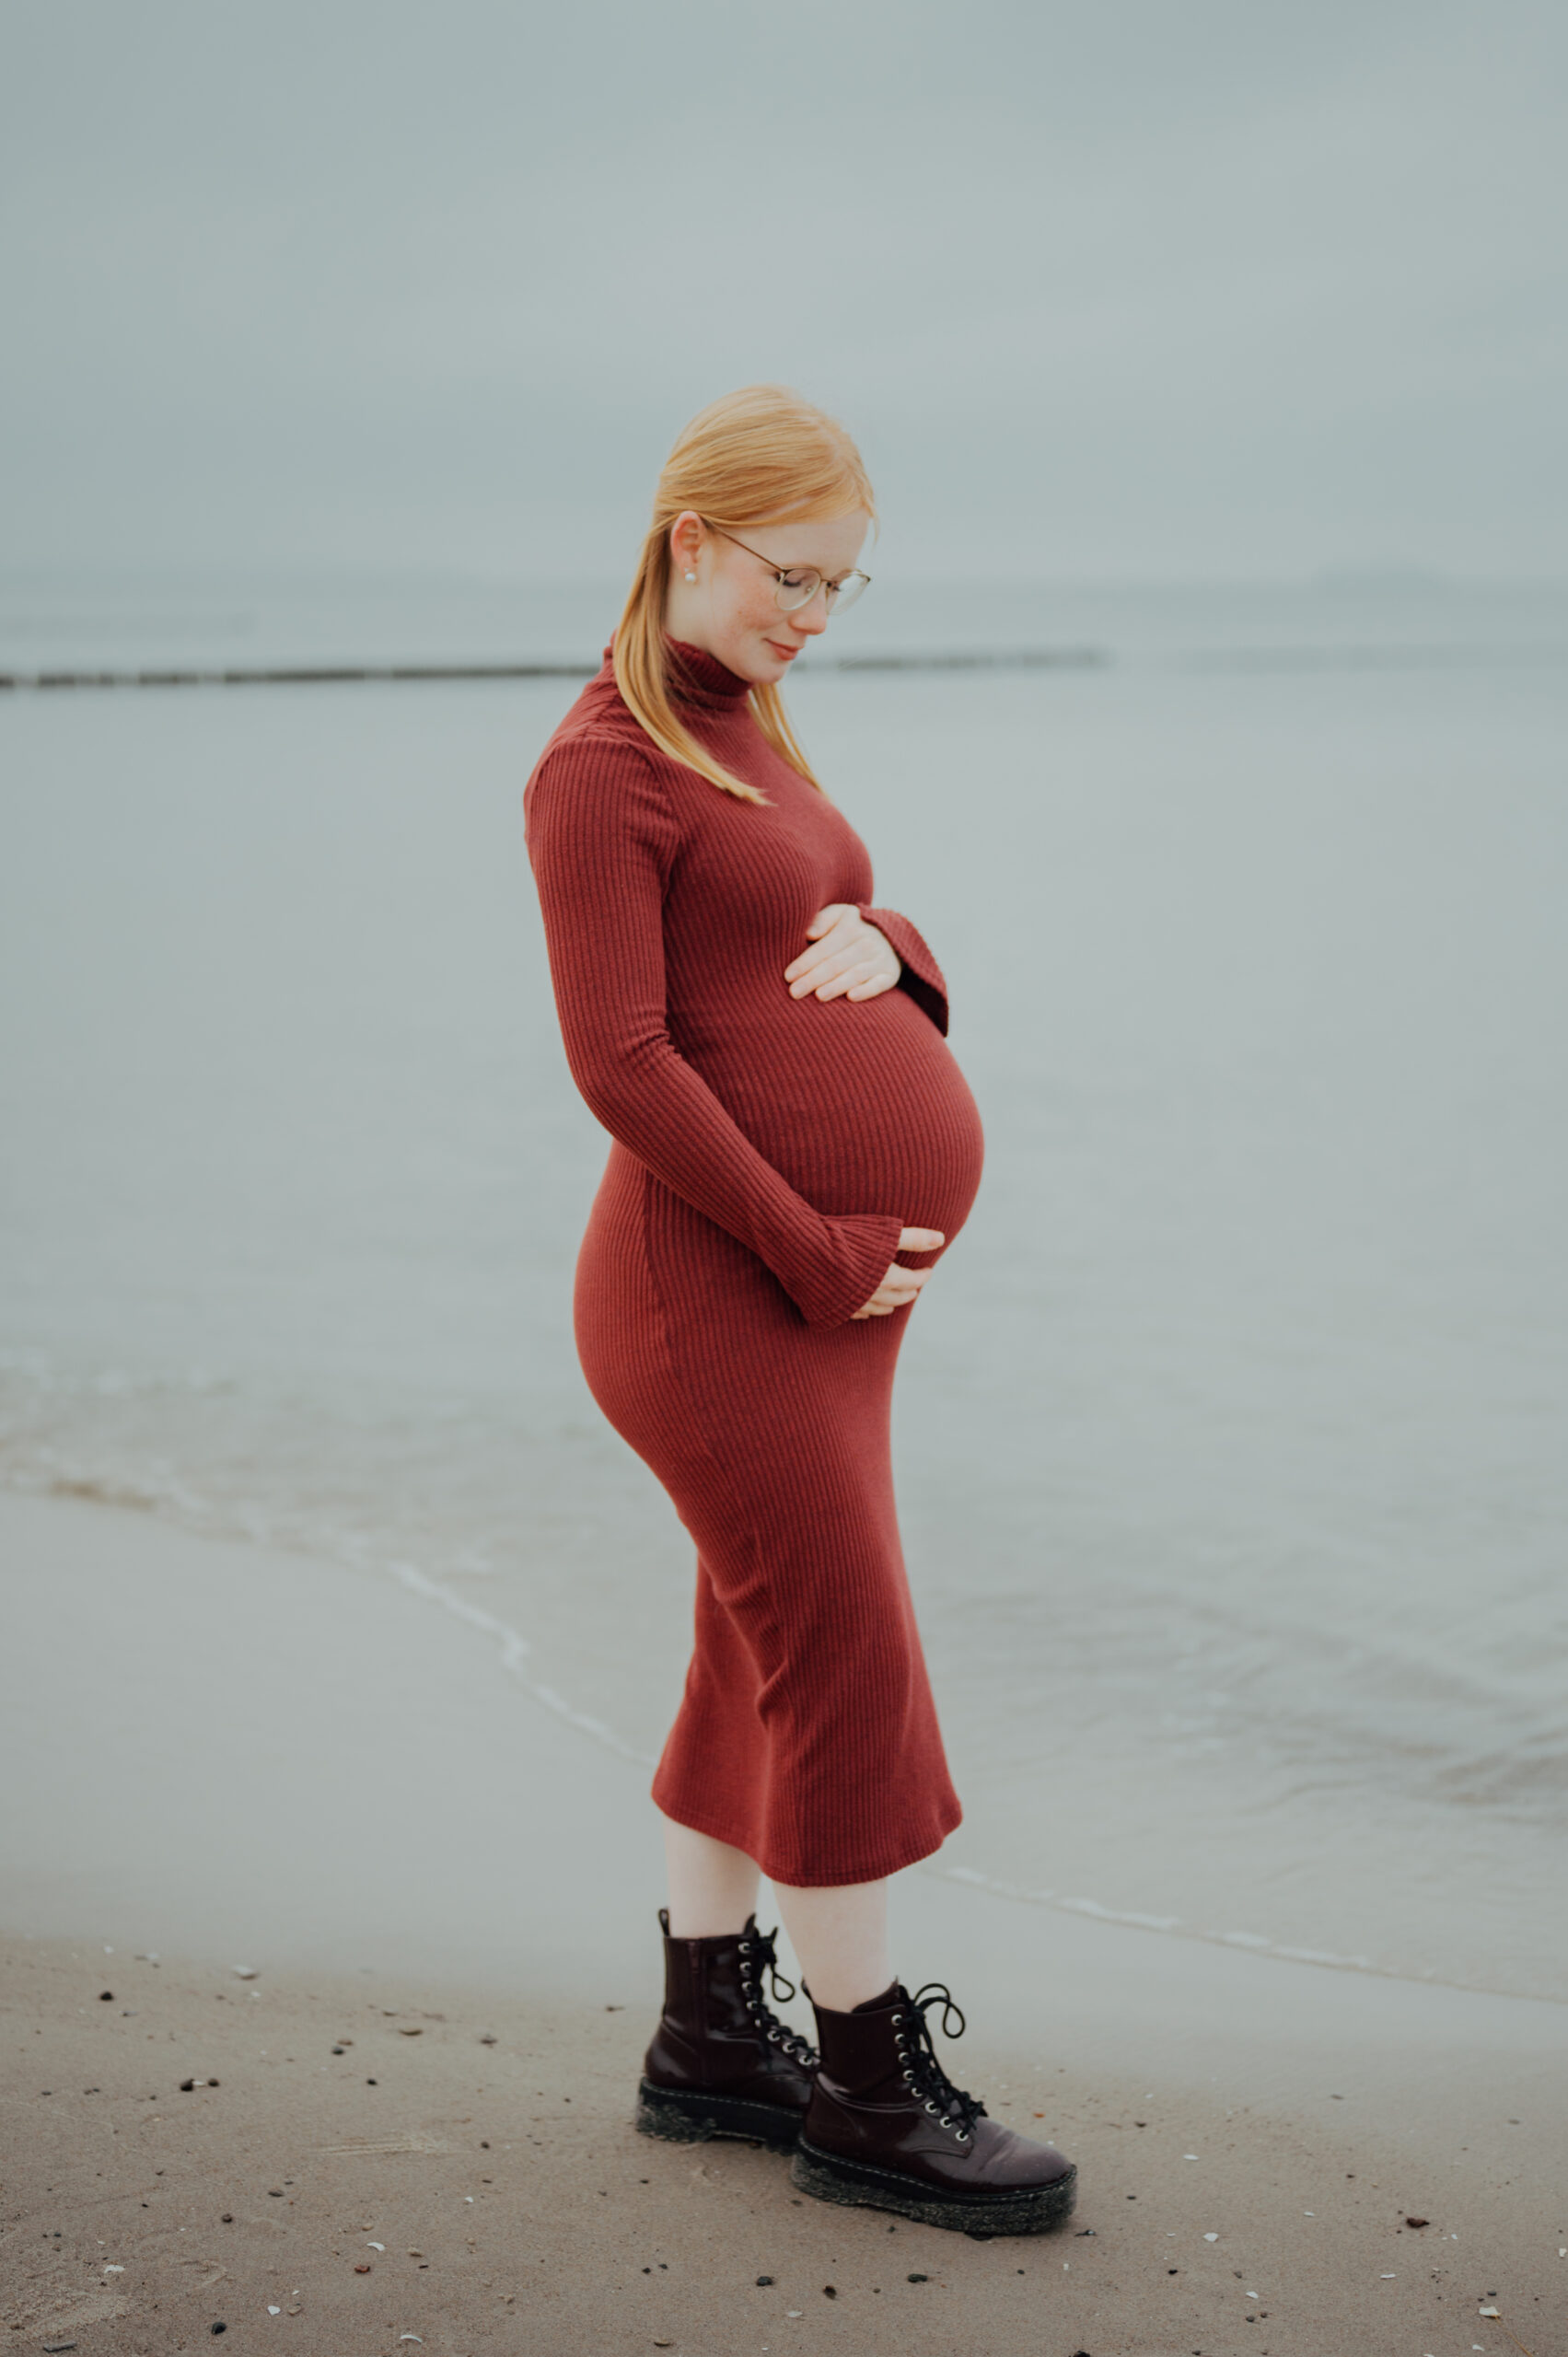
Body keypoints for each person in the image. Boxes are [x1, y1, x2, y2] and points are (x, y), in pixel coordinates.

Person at [523, 384, 1075, 2235]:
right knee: (840, 1643)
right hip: (714, 1290)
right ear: (690, 540)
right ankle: (860, 2077)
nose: (816, 617)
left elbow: (818, 937)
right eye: (792, 576)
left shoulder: (747, 724)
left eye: (847, 587)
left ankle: (709, 2034)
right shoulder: (597, 766)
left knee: (752, 1644)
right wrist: (811, 1244)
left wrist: (906, 947)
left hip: (814, 1297)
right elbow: (619, 1056)